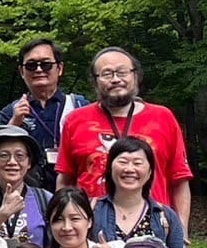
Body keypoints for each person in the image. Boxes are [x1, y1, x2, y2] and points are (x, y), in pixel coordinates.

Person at [57, 47, 193, 238]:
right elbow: (65, 180)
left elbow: (179, 180)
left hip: (154, 227)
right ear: (95, 81)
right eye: (106, 74)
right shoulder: (76, 120)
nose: (115, 79)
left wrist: (181, 234)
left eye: (122, 72)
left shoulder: (163, 117)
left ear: (135, 76)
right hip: (90, 228)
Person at [91, 136, 194, 248]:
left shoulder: (165, 217)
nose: (129, 169)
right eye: (123, 162)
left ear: (150, 171)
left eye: (138, 163)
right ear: (109, 168)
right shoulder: (92, 211)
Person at [0, 39, 88, 190]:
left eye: (46, 64)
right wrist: (14, 124)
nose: (39, 70)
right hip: (27, 191)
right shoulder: (11, 112)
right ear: (22, 72)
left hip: (72, 189)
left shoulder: (79, 107)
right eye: (31, 65)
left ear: (59, 68)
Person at [0, 124, 52, 248]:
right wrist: (1, 217)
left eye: (20, 156)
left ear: (29, 163)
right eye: (4, 155)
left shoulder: (45, 199)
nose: (12, 162)